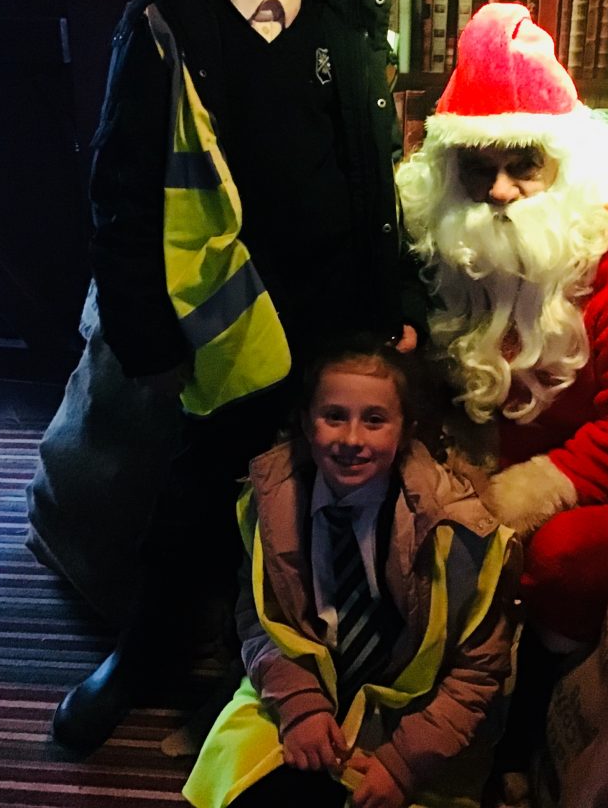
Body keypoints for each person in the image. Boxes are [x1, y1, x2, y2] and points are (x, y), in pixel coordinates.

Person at [37, 0, 425, 753]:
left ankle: (309, 671)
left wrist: (395, 302)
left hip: (334, 309)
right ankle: (143, 656)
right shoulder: (164, 24)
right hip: (226, 316)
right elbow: (121, 194)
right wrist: (144, 332)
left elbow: (374, 177)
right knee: (199, 495)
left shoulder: (343, 20)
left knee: (333, 492)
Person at [394, 3, 608, 788]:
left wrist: (514, 497)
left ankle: (531, 723)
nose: (500, 191)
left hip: (604, 485)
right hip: (483, 459)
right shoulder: (446, 235)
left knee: (568, 558)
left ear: (563, 160)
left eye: (522, 165)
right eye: (478, 169)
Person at [183, 338, 520, 808]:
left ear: (406, 431)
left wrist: (403, 765)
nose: (352, 439)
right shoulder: (271, 505)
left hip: (415, 726)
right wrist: (299, 706)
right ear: (307, 423)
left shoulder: (460, 532)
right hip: (299, 687)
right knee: (252, 793)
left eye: (375, 420)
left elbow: (479, 670)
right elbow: (259, 619)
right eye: (334, 416)